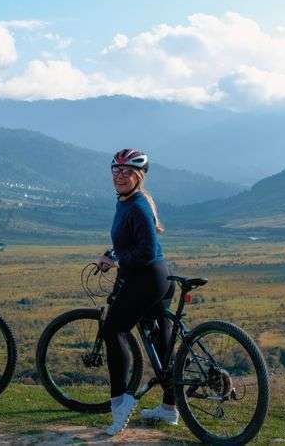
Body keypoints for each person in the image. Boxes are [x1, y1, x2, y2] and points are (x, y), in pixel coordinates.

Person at [95, 148, 177, 436]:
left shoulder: (138, 205)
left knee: (113, 331)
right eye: (116, 171)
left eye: (127, 171)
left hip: (147, 278)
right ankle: (169, 408)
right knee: (161, 341)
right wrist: (113, 253)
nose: (120, 176)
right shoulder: (128, 201)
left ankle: (121, 402)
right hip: (159, 276)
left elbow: (144, 250)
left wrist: (115, 260)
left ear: (138, 175)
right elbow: (132, 242)